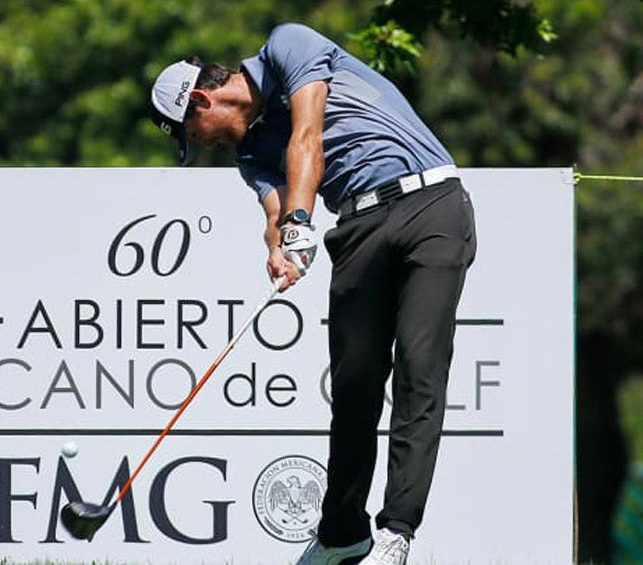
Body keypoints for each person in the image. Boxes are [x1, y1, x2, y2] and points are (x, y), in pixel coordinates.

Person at [149, 22, 476, 565]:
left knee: (421, 366)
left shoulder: (287, 47)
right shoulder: (249, 155)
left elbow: (308, 132)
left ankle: (397, 531)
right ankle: (343, 533)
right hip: (358, 229)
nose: (201, 143)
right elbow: (276, 212)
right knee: (354, 387)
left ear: (203, 98)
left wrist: (302, 217)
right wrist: (281, 247)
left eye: (195, 130)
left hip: (431, 205)